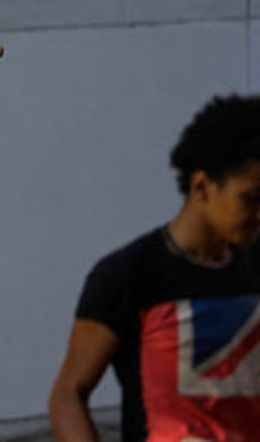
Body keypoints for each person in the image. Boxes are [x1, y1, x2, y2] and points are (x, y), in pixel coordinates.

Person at [49, 95, 260, 441]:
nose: (259, 214)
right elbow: (68, 393)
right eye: (251, 198)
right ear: (202, 186)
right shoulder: (130, 274)